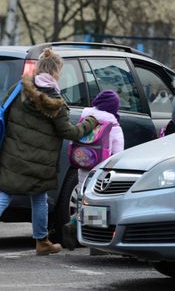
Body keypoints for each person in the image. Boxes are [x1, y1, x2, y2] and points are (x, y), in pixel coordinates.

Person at [0, 48, 98, 256]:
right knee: (38, 198)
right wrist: (90, 123)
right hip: (40, 160)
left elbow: (4, 110)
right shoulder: (56, 102)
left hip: (13, 152)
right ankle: (42, 241)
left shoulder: (19, 88)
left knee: (9, 194)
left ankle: (42, 241)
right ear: (55, 72)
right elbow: (69, 132)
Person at [63, 90, 124, 251]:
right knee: (98, 205)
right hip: (101, 171)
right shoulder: (113, 126)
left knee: (84, 201)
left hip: (83, 166)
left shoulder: (85, 119)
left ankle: (73, 224)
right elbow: (118, 155)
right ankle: (96, 246)